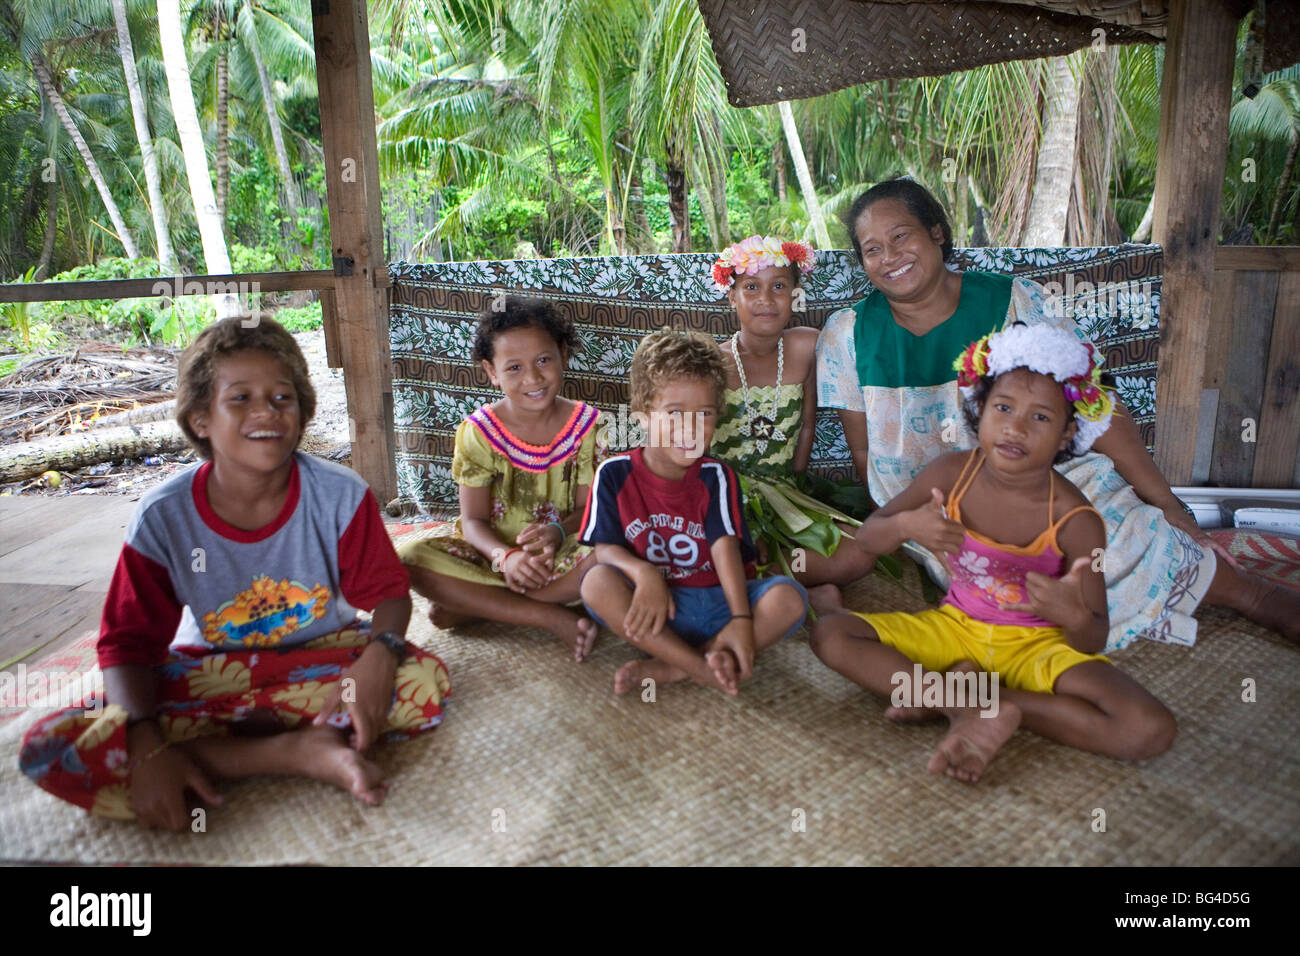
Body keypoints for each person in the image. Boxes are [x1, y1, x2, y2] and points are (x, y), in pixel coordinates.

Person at [816, 177, 1300, 648]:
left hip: (1041, 474)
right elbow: (867, 458)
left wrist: (1168, 504)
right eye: (872, 249)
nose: (890, 257)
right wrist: (910, 525)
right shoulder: (847, 333)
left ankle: (1254, 597)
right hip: (944, 500)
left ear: (936, 233)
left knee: (1117, 527)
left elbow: (1096, 408)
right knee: (1008, 579)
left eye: (901, 236)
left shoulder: (1011, 302)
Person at [18, 317, 450, 829]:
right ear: (201, 418)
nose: (266, 411)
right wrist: (144, 739)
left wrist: (378, 659)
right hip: (211, 669)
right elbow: (127, 645)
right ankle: (299, 751)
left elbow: (389, 595)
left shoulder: (340, 494)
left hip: (320, 661)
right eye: (240, 398)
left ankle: (211, 755)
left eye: (282, 397)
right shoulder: (163, 517)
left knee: (423, 682)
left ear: (302, 409)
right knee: (54, 745)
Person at [811, 325, 1176, 783]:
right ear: (978, 411)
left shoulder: (1078, 522)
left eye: (1041, 417)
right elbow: (868, 539)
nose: (1016, 427)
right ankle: (962, 702)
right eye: (1002, 407)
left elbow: (1093, 638)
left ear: (1068, 434)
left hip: (1036, 646)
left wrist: (1073, 615)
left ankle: (984, 702)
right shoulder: (949, 474)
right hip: (955, 629)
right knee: (832, 634)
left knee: (1148, 729)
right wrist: (907, 525)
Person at [577, 329, 809, 697]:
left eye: (704, 413)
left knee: (789, 597)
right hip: (657, 609)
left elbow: (724, 548)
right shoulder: (613, 474)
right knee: (595, 582)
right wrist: (645, 574)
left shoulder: (716, 476)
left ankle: (677, 667)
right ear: (642, 416)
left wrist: (740, 618)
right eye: (674, 412)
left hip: (719, 600)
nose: (690, 427)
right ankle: (703, 666)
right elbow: (604, 548)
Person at [398, 296, 602, 661]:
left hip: (561, 554)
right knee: (409, 555)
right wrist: (506, 558)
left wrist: (556, 532)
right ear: (491, 372)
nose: (533, 378)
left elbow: (589, 510)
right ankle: (546, 614)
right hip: (489, 558)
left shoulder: (588, 427)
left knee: (613, 550)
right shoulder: (478, 433)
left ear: (562, 355)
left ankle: (480, 603)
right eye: (514, 368)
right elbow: (473, 522)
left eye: (543, 360)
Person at [707, 235, 877, 594]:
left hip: (785, 496)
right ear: (731, 296)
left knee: (860, 552)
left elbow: (807, 424)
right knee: (716, 546)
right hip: (724, 499)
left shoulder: (806, 346)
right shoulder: (712, 361)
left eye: (779, 287)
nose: (765, 300)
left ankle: (757, 575)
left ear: (794, 294)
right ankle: (760, 574)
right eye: (751, 287)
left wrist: (794, 487)